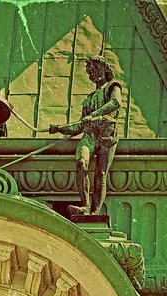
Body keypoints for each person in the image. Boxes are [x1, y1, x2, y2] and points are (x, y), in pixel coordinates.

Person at [49, 55, 122, 217]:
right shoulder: (88, 99)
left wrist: (94, 115)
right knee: (81, 163)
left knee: (100, 174)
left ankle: (94, 212)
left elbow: (116, 103)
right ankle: (85, 205)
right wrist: (60, 128)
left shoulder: (113, 86)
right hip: (89, 136)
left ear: (106, 69)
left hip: (106, 136)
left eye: (97, 68)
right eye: (91, 71)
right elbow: (79, 126)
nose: (94, 73)